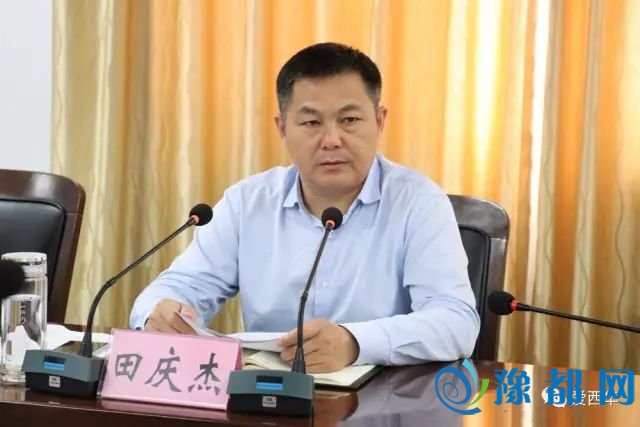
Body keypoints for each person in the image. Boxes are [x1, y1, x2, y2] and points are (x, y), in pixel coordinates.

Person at [130, 42, 480, 373]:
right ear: (282, 128)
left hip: (381, 401)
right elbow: (178, 288)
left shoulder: (419, 203)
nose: (332, 140)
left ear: (379, 121)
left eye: (349, 120)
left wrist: (355, 343)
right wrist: (158, 316)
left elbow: (456, 322)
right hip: (266, 398)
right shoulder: (247, 203)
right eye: (311, 123)